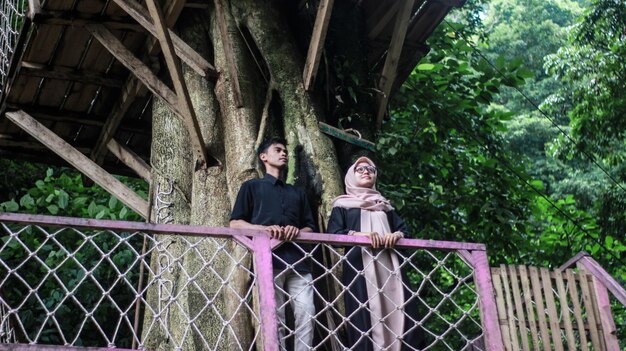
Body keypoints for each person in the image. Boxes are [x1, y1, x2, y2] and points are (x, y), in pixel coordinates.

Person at [230, 137, 317, 351]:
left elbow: (310, 228)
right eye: (278, 150)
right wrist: (264, 230)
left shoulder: (297, 192)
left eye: (285, 151)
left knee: (307, 312)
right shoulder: (251, 187)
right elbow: (235, 223)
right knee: (273, 315)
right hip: (268, 259)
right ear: (263, 157)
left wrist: (296, 231)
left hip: (299, 261)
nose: (284, 153)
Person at [327, 156, 422, 351]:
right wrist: (359, 235)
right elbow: (333, 235)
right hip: (360, 267)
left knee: (400, 309)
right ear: (351, 176)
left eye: (370, 169)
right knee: (364, 314)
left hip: (391, 266)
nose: (366, 171)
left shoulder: (385, 206)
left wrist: (396, 235)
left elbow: (407, 234)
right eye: (360, 169)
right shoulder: (342, 205)